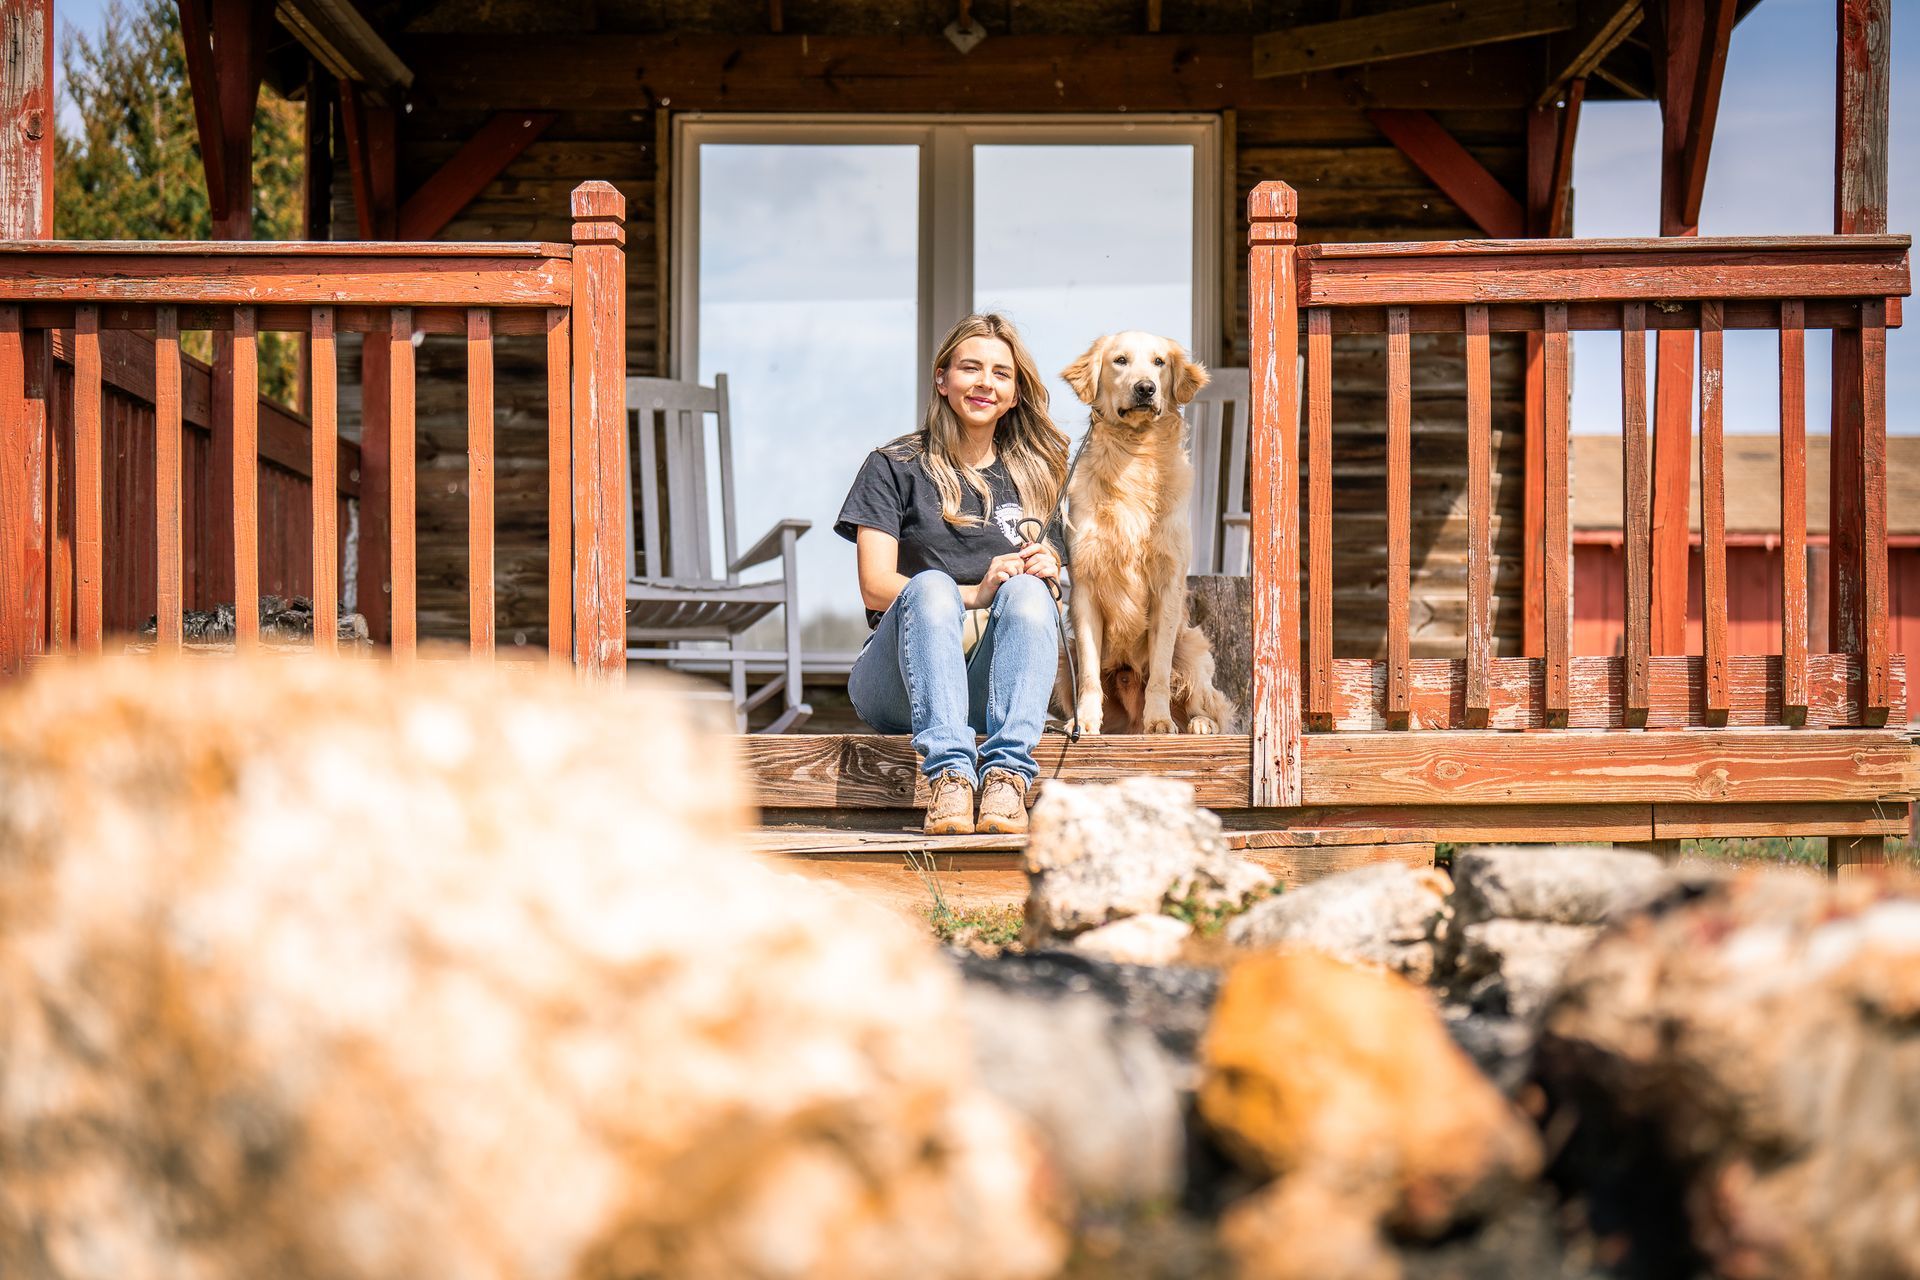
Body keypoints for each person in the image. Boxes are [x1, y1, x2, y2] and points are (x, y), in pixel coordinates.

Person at [834, 314, 1070, 836]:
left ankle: (1007, 776)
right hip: (898, 683)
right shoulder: (893, 464)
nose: (986, 382)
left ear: (1014, 394)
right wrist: (976, 592)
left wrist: (1053, 567)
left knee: (1032, 592)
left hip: (990, 685)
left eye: (1001, 374)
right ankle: (951, 778)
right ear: (942, 380)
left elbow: (1066, 579)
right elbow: (875, 585)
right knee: (932, 585)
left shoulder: (1040, 475)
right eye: (970, 368)